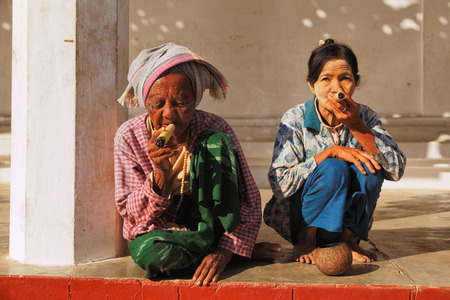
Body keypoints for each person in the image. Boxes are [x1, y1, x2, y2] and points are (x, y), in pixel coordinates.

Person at [114, 43, 281, 286]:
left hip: (210, 225)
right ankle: (239, 251)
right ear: (144, 103)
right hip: (160, 233)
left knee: (215, 142)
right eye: (157, 105)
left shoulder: (216, 129)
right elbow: (132, 215)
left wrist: (224, 251)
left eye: (181, 103)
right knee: (154, 257)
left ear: (196, 100)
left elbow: (248, 200)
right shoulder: (129, 136)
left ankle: (227, 247)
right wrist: (160, 174)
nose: (169, 114)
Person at [263, 39, 406, 265]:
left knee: (370, 169)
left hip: (344, 221)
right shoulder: (295, 118)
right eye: (325, 79)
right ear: (311, 84)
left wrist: (357, 126)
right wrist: (329, 153)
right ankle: (306, 239)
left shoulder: (364, 116)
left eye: (345, 78)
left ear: (355, 83)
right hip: (300, 218)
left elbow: (396, 169)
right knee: (333, 167)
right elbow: (279, 184)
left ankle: (348, 240)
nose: (336, 88)